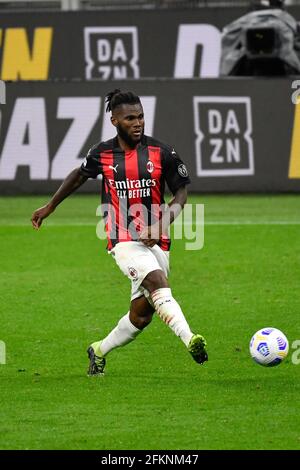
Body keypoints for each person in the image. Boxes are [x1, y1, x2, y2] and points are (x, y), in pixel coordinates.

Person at [31, 89, 208, 376]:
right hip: (121, 237)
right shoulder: (102, 153)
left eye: (140, 117)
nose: (137, 123)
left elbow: (181, 194)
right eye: (130, 118)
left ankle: (99, 350)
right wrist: (51, 205)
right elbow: (79, 175)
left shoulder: (162, 152)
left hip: (157, 240)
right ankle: (190, 339)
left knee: (141, 316)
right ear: (114, 120)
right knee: (156, 280)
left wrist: (162, 223)